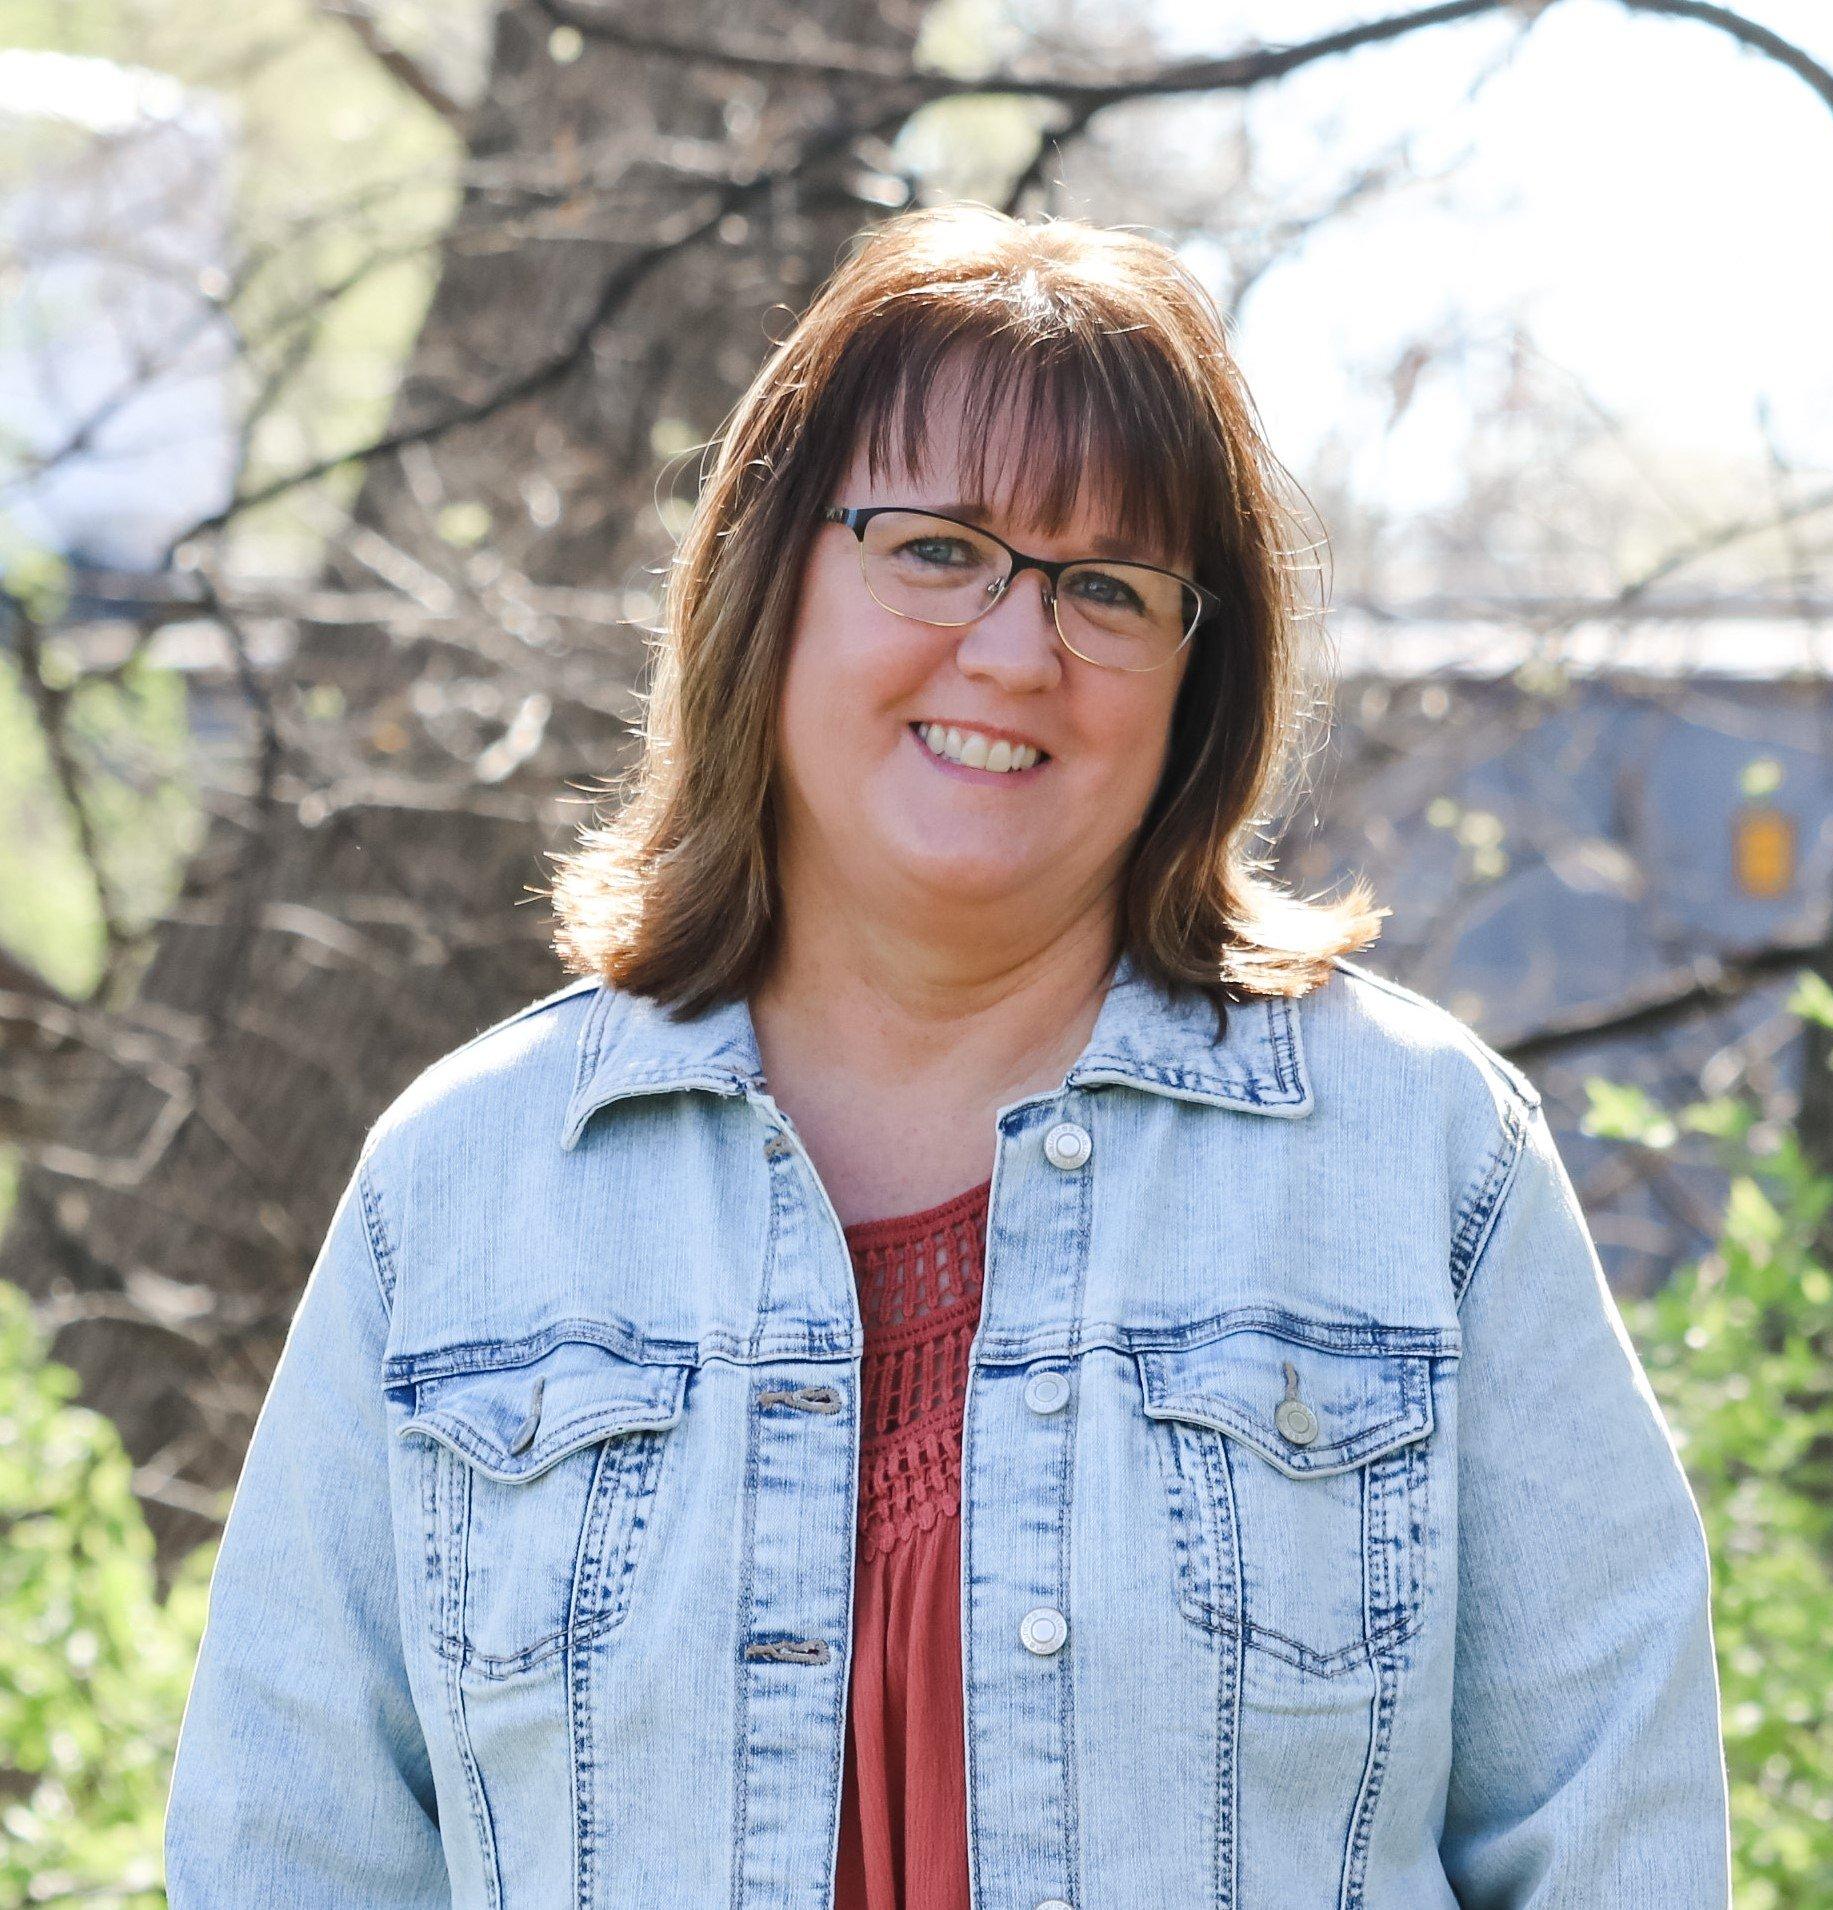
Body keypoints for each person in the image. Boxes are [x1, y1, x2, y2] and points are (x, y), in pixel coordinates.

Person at [163, 203, 1731, 1907]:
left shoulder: (1424, 1163)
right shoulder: (463, 1185)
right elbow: (289, 1848)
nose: (1013, 647)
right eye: (935, 548)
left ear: (1195, 682)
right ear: (775, 581)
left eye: (1108, 587)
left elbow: (1613, 1840)